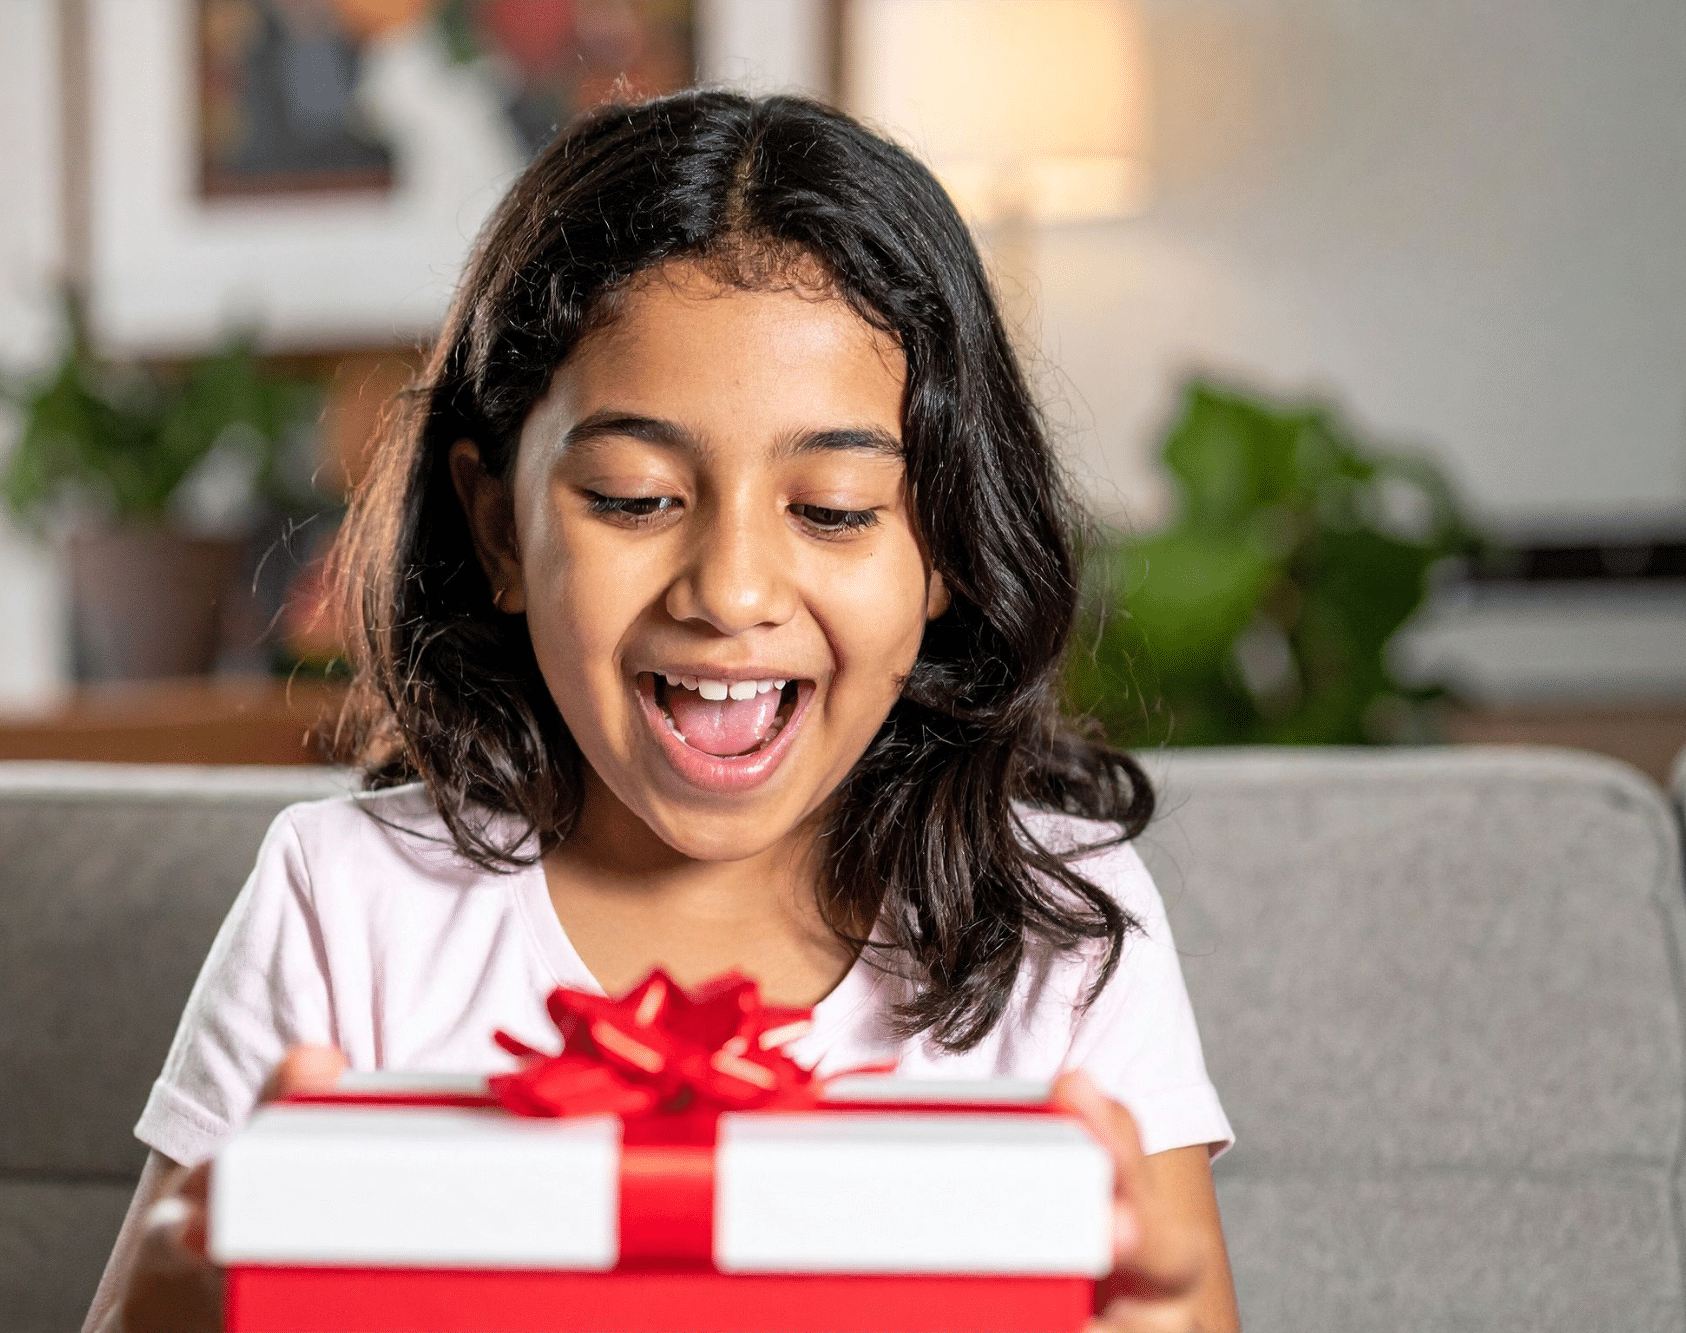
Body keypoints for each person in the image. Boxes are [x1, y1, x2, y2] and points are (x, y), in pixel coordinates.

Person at [84, 89, 1240, 1333]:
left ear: (946, 549)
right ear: (498, 529)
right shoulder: (347, 902)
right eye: (634, 498)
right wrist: (187, 1284)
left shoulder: (1060, 922)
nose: (730, 592)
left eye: (834, 509)